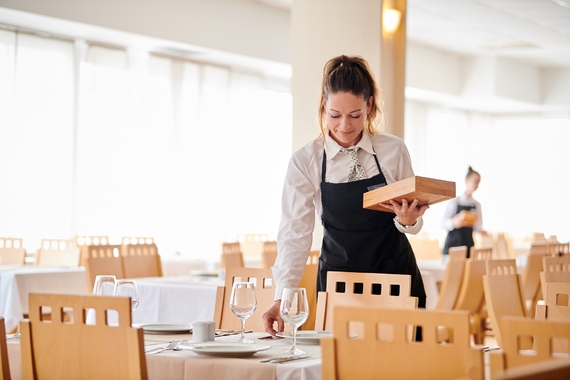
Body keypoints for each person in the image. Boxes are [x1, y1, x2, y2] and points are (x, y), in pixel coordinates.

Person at [262, 55, 428, 335]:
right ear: (324, 106)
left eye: (355, 115)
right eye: (335, 115)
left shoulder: (393, 150)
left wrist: (409, 220)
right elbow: (295, 233)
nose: (344, 126)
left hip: (396, 277)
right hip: (338, 286)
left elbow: (412, 223)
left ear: (370, 106)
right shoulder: (306, 161)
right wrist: (283, 297)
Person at [441, 166, 485, 257]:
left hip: (468, 245)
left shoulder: (477, 205)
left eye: (478, 182)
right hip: (453, 245)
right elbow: (443, 223)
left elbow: (477, 227)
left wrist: (483, 232)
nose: (477, 185)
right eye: (475, 181)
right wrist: (454, 222)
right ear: (467, 180)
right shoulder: (454, 201)